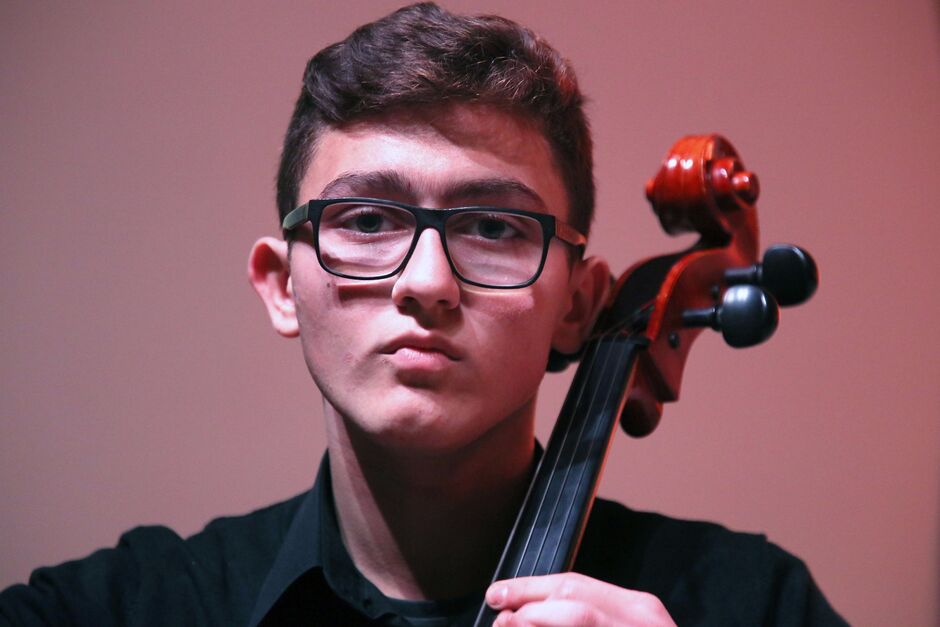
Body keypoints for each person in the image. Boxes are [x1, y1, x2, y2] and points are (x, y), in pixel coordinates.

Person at [0, 3, 846, 626]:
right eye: (368, 219)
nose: (428, 281)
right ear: (282, 284)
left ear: (579, 305)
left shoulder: (757, 603)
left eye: (495, 227)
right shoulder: (113, 608)